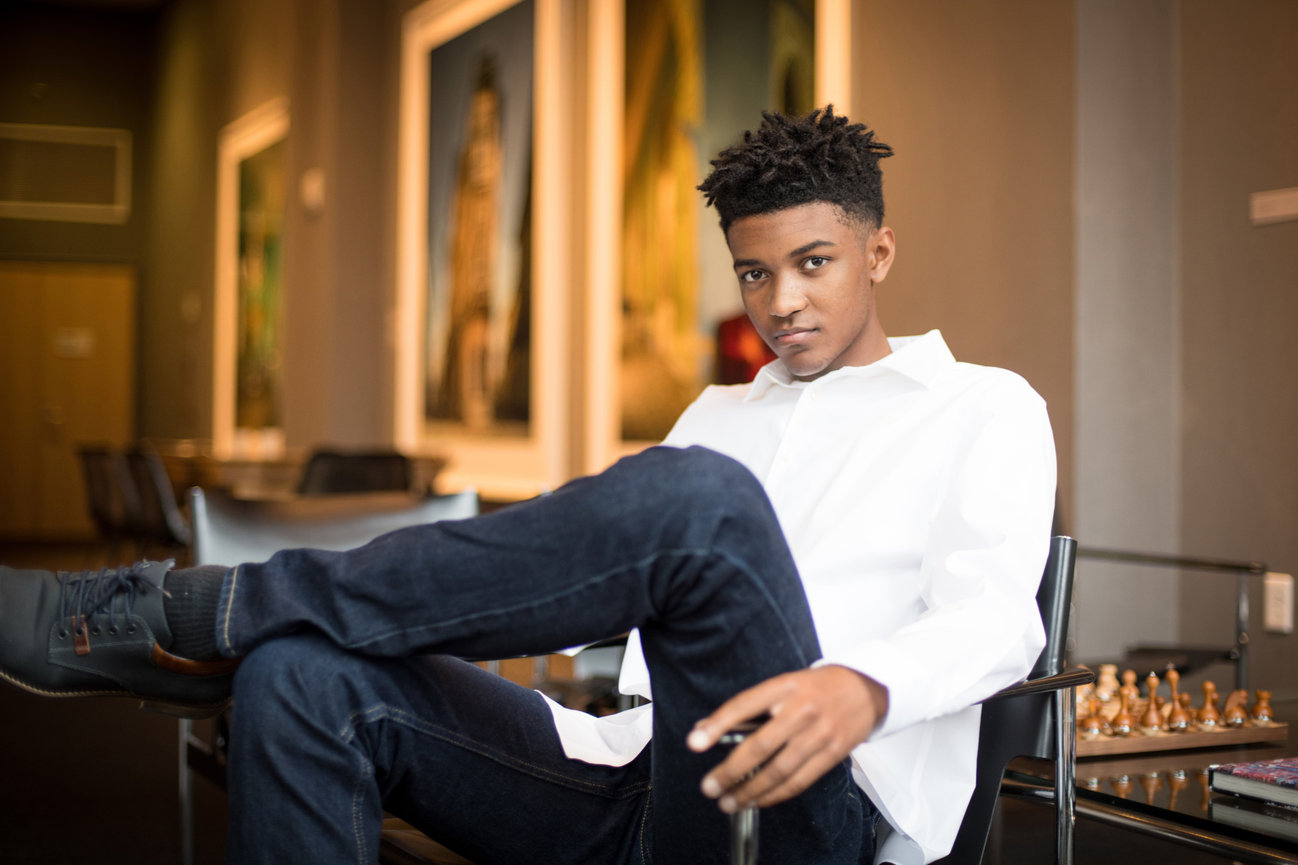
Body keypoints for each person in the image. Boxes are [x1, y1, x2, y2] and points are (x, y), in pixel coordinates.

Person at [0, 107, 1056, 865]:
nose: (778, 301)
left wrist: (858, 684)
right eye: (751, 272)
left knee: (698, 503)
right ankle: (241, 618)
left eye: (812, 263)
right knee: (298, 677)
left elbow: (999, 617)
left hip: (803, 807)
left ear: (875, 251)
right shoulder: (721, 412)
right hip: (625, 773)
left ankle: (191, 606)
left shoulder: (981, 403)